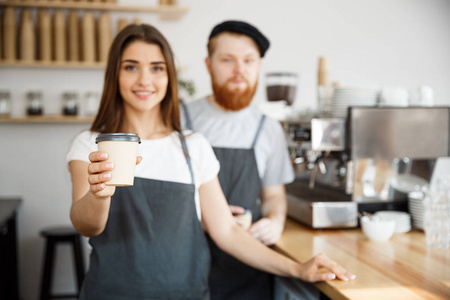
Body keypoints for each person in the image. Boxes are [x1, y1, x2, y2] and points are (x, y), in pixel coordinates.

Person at [66, 24, 355, 300]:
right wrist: (99, 193)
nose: (145, 80)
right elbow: (86, 225)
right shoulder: (90, 143)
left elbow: (226, 231)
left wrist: (297, 269)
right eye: (131, 67)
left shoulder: (193, 145)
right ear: (114, 75)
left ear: (169, 77)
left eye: (157, 68)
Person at [180, 20, 294, 299]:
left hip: (248, 270)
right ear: (208, 64)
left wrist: (275, 220)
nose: (239, 70)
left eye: (248, 60)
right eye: (227, 60)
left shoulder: (268, 129)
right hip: (184, 266)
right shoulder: (180, 119)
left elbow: (274, 195)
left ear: (258, 66)